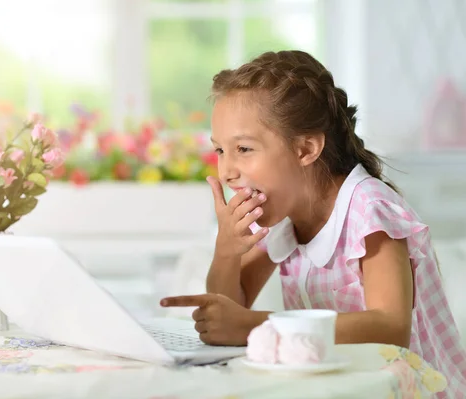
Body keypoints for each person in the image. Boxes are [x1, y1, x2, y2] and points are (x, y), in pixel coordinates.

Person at [159, 50, 466, 397]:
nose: (227, 171)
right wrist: (226, 251)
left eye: (243, 149)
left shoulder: (370, 210)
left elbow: (390, 326)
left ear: (306, 149)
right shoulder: (281, 212)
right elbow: (229, 306)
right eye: (220, 151)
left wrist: (255, 327)